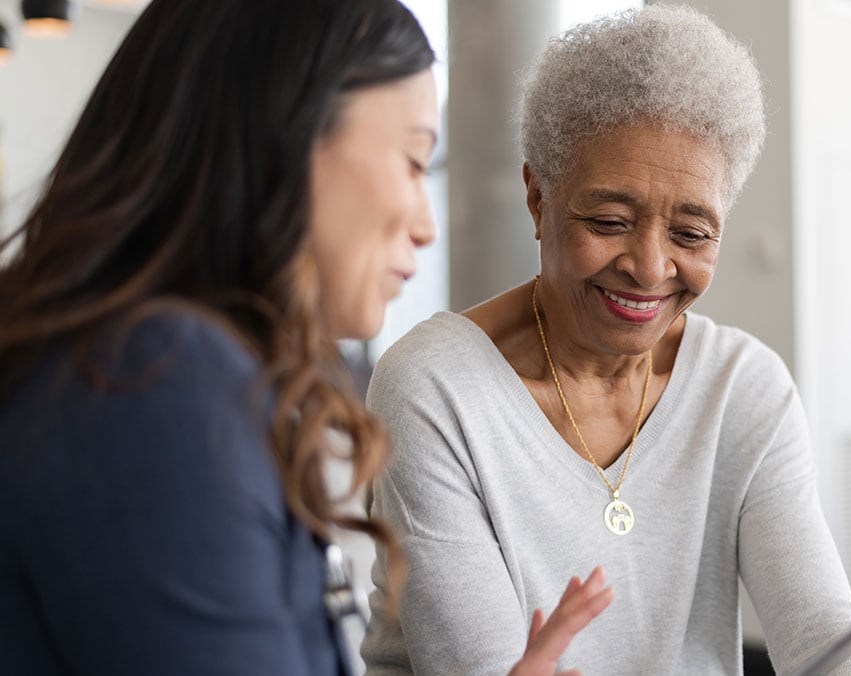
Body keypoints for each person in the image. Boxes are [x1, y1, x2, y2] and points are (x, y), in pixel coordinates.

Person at [0, 1, 609, 675]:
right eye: (412, 161)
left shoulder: (149, 369)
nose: (425, 225)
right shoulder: (155, 384)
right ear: (282, 138)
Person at [362, 5, 851, 675]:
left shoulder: (743, 388)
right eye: (610, 220)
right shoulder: (435, 387)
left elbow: (821, 630)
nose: (649, 267)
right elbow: (483, 666)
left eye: (692, 234)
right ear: (537, 197)